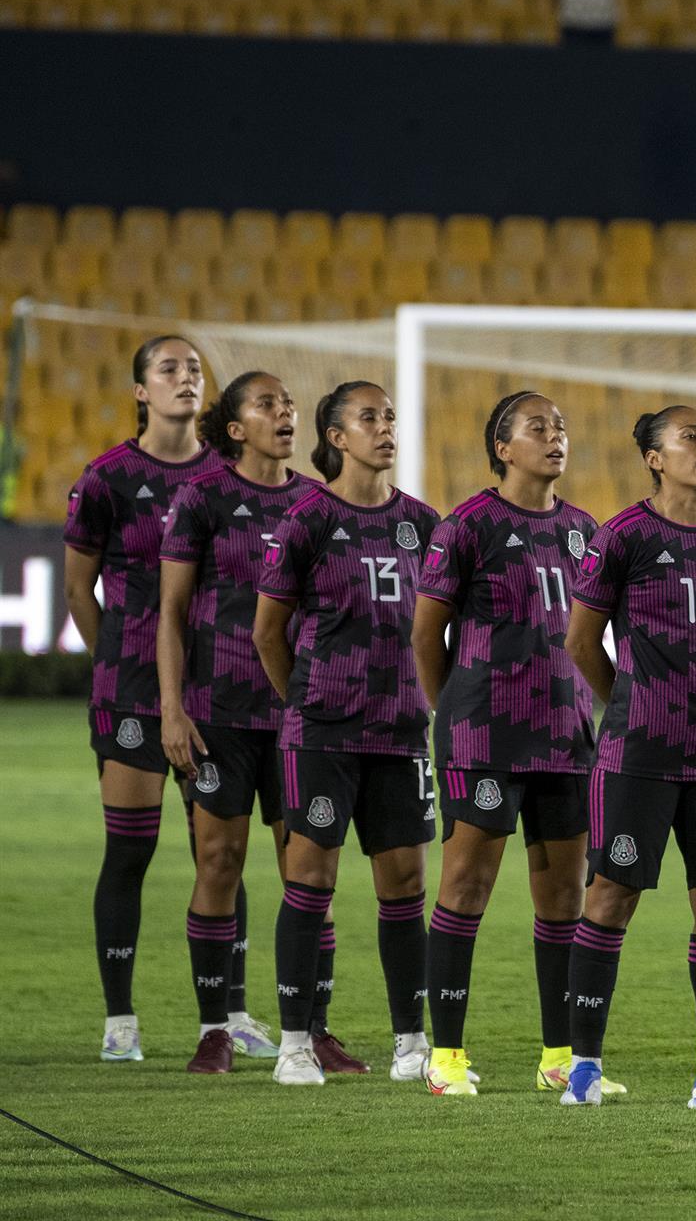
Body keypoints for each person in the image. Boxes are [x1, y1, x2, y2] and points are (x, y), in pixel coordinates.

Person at [159, 372, 367, 1076]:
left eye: (288, 403)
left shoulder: (318, 499)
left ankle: (313, 1028)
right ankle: (215, 1026)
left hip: (300, 718)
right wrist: (171, 708)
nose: (284, 412)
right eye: (266, 404)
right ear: (235, 427)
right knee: (218, 862)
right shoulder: (203, 498)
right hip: (217, 713)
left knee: (307, 874)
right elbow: (171, 614)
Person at [559, 408, 696, 1108]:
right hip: (638, 755)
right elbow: (583, 643)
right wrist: (629, 706)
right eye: (689, 438)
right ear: (653, 457)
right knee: (611, 898)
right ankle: (582, 1067)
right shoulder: (623, 537)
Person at [412, 393, 608, 1099]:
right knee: (466, 886)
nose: (555, 438)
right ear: (502, 448)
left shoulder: (586, 531)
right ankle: (447, 1057)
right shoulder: (466, 527)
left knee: (563, 896)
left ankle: (559, 1056)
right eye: (537, 429)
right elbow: (425, 635)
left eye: (560, 427)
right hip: (484, 738)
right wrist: (456, 713)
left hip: (565, 735)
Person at [254, 382, 440, 1087]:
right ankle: (295, 1045)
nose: (384, 427)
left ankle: (411, 1043)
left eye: (390, 415)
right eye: (369, 418)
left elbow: (441, 629)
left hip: (399, 732)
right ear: (336, 437)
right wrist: (304, 702)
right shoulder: (306, 519)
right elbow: (268, 632)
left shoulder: (424, 524)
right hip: (324, 732)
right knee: (311, 879)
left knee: (404, 884)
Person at [63, 335, 223, 1064]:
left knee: (215, 850)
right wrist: (118, 665)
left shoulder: (228, 477)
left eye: (194, 369)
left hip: (215, 691)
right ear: (140, 391)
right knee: (130, 852)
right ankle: (120, 1020)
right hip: (129, 693)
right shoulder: (107, 479)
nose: (185, 379)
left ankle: (224, 1019)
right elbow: (77, 587)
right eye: (169, 369)